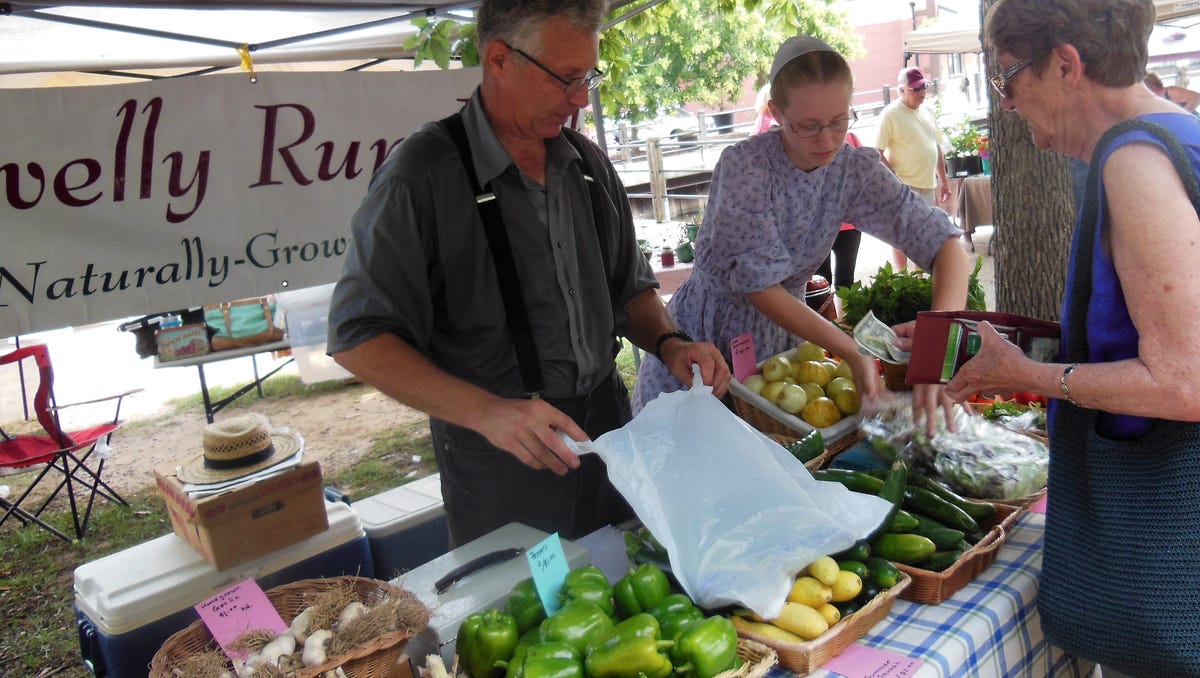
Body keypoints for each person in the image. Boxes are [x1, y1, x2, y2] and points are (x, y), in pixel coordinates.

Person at [326, 0, 730, 547]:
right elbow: (359, 337)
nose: (581, 98)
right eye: (566, 78)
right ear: (499, 59)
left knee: (627, 591)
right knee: (526, 617)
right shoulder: (421, 176)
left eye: (588, 76)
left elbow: (627, 290)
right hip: (500, 458)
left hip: (607, 431)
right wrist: (490, 413)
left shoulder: (585, 165)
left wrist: (670, 342)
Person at [943, 0, 1200, 674]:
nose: (1008, 104)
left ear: (1066, 64)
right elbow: (1139, 324)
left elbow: (1183, 380)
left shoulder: (1135, 161)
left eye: (1009, 78)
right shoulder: (1179, 131)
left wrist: (1027, 377)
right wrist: (1004, 340)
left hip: (1169, 528)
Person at [632, 35, 972, 430]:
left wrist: (938, 339)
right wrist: (852, 351)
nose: (827, 140)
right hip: (703, 340)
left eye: (839, 122)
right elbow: (760, 287)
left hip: (781, 351)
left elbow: (946, 245)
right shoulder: (746, 168)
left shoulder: (852, 171)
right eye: (808, 127)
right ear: (776, 112)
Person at [875, 66, 952, 270]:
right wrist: (895, 181)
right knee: (901, 234)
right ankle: (902, 276)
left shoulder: (927, 112)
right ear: (901, 90)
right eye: (916, 89)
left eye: (923, 88)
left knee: (925, 234)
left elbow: (935, 147)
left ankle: (918, 278)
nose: (922, 93)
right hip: (905, 185)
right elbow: (877, 152)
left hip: (927, 185)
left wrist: (943, 181)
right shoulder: (890, 115)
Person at [817, 130, 865, 298]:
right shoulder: (805, 142)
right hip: (819, 225)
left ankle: (843, 323)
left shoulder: (851, 137)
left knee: (845, 283)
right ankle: (827, 323)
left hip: (849, 226)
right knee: (821, 284)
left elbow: (865, 175)